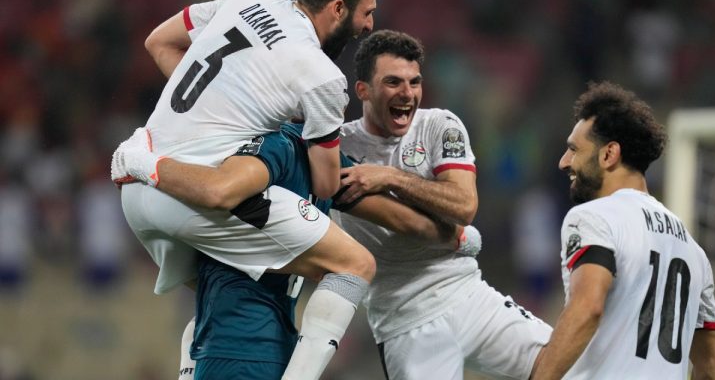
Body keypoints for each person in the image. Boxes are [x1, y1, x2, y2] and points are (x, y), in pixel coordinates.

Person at [111, 0, 383, 380]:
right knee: (354, 264)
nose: (369, 25)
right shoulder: (321, 75)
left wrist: (218, 107)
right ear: (337, 8)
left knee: (221, 289)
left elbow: (157, 42)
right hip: (192, 191)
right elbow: (328, 184)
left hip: (136, 198)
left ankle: (190, 371)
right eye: (367, 12)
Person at [145, 122, 478, 379]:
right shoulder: (274, 149)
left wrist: (457, 237)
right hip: (241, 347)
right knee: (355, 263)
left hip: (265, 343)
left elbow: (404, 220)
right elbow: (218, 193)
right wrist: (146, 166)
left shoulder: (322, 162)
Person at [332, 29, 552, 380]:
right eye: (393, 82)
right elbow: (403, 225)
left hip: (468, 293)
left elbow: (464, 205)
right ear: (363, 90)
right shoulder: (338, 148)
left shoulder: (440, 125)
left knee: (571, 366)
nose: (407, 93)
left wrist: (390, 177)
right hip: (405, 318)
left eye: (414, 82)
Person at [531, 82, 715, 379]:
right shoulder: (694, 252)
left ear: (609, 154)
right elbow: (711, 366)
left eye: (573, 149)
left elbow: (588, 307)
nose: (564, 162)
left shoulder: (593, 217)